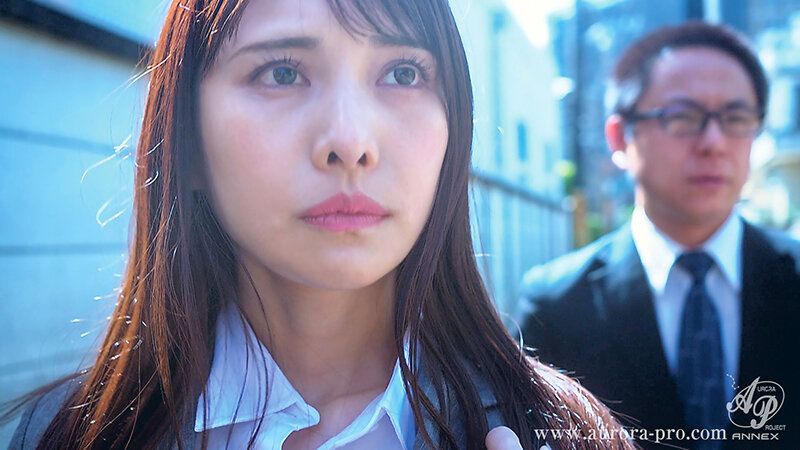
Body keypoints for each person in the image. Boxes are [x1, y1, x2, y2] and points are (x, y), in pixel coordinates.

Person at [5, 0, 636, 449]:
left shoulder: (561, 433)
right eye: (281, 72)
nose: (350, 142)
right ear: (186, 141)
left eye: (403, 73)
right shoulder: (67, 433)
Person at [516, 21, 800, 450]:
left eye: (736, 118)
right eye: (682, 117)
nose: (714, 142)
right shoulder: (556, 306)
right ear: (620, 137)